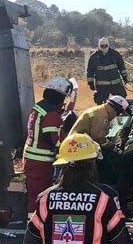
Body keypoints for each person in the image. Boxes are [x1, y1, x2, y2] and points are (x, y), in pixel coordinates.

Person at [24, 133, 130, 243]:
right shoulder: (105, 197)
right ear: (92, 163)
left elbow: (31, 239)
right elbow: (121, 240)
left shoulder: (45, 199)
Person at [23, 77, 72, 219]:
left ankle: (34, 223)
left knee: (34, 192)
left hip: (32, 158)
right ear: (59, 96)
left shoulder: (39, 107)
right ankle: (35, 224)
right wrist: (63, 149)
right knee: (40, 194)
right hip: (41, 162)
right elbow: (50, 137)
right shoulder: (52, 114)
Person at [69, 95, 131, 184]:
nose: (118, 116)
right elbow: (99, 138)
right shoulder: (102, 115)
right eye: (119, 113)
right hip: (79, 146)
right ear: (116, 109)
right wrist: (116, 149)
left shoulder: (101, 111)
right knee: (105, 167)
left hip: (80, 144)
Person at [87, 37, 129, 105]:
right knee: (100, 104)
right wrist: (90, 82)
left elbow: (121, 66)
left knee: (121, 101)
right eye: (102, 46)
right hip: (102, 86)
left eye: (105, 46)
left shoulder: (115, 54)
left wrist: (124, 77)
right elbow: (90, 71)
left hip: (116, 84)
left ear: (108, 45)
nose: (104, 47)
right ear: (98, 45)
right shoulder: (93, 57)